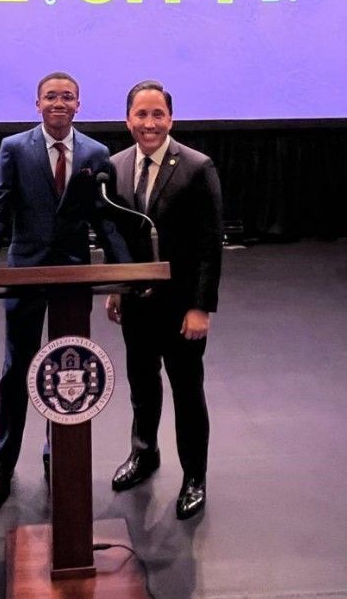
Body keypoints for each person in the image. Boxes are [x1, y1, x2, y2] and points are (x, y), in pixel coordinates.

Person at [0, 71, 130, 514]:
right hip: (24, 275)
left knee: (64, 371)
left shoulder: (97, 153)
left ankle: (55, 454)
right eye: (51, 97)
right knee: (16, 370)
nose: (59, 103)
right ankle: (3, 462)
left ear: (79, 104)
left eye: (68, 97)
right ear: (37, 104)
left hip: (74, 280)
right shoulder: (14, 148)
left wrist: (125, 275)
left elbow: (106, 219)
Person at [106, 80, 223, 519]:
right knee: (142, 384)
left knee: (187, 391)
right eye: (142, 115)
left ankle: (195, 476)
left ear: (170, 119)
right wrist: (118, 286)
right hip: (137, 304)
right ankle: (144, 453)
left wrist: (200, 307)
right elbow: (116, 238)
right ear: (128, 120)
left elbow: (211, 245)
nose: (150, 123)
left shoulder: (197, 166)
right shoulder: (115, 167)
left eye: (158, 115)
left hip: (181, 308)